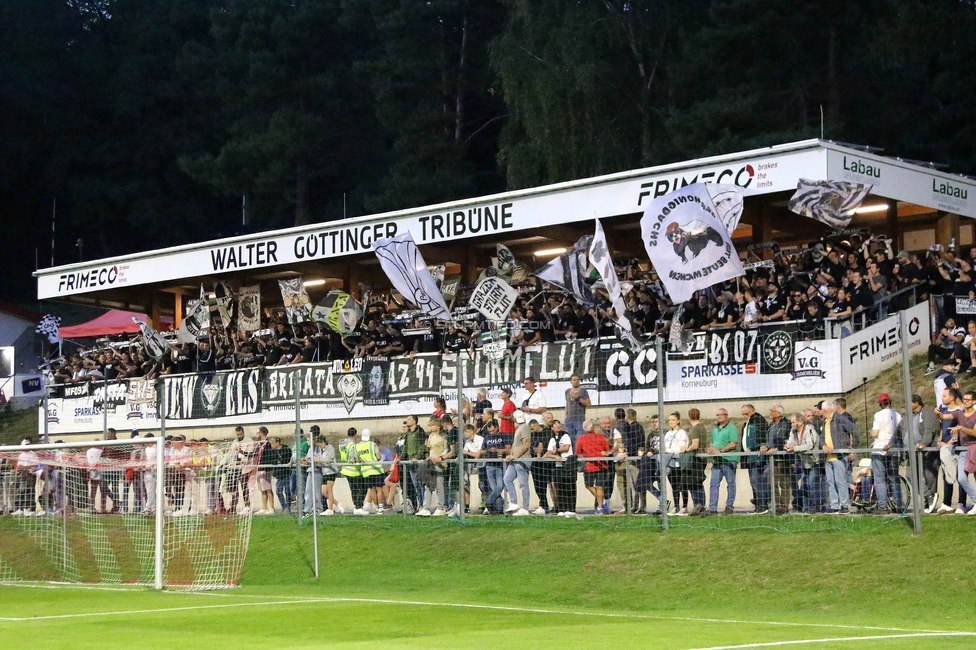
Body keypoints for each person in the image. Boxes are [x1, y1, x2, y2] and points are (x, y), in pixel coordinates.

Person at [901, 394, 941, 513]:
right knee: (910, 474)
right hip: (912, 451)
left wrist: (924, 443)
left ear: (916, 403)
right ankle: (928, 496)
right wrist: (891, 442)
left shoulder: (927, 412)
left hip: (926, 451)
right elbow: (900, 429)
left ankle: (930, 500)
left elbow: (929, 429)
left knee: (929, 476)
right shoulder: (908, 415)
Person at [822, 399, 858, 513]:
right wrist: (823, 445)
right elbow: (822, 437)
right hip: (828, 458)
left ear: (824, 410)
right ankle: (834, 505)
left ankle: (844, 505)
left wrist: (852, 447)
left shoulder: (840, 418)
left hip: (839, 457)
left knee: (840, 481)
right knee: (830, 482)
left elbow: (854, 430)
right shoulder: (825, 422)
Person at [869, 394, 903, 513]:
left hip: (880, 449)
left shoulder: (878, 415)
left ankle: (882, 505)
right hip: (894, 449)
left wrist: (870, 433)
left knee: (879, 479)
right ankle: (899, 504)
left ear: (880, 403)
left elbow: (875, 433)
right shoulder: (898, 415)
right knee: (894, 478)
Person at [948, 389, 976, 515]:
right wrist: (938, 414)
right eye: (964, 399)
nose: (964, 401)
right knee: (961, 478)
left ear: (974, 401)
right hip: (963, 451)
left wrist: (961, 428)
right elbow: (945, 416)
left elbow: (975, 433)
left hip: (974, 449)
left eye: (968, 399)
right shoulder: (959, 414)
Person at [785, 412, 820, 513]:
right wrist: (788, 446)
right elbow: (791, 442)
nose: (791, 424)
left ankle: (814, 506)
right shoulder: (793, 431)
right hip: (804, 462)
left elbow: (810, 445)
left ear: (800, 422)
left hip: (815, 462)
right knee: (804, 486)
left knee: (812, 484)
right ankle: (806, 507)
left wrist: (794, 448)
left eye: (793, 422)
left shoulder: (809, 430)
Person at [706, 408, 739, 514]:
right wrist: (710, 449)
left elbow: (733, 443)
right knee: (714, 484)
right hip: (717, 461)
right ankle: (712, 508)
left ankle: (729, 506)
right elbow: (712, 442)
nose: (719, 417)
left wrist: (720, 451)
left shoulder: (731, 428)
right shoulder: (715, 429)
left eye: (721, 415)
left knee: (731, 484)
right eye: (717, 415)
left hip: (728, 460)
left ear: (726, 415)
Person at [762, 404, 792, 514]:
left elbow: (788, 440)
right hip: (772, 459)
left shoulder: (787, 424)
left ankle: (784, 505)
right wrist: (765, 446)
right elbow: (768, 440)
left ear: (778, 413)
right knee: (772, 482)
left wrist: (777, 448)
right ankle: (777, 504)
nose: (770, 413)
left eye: (772, 411)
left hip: (783, 458)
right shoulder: (771, 425)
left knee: (784, 483)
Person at [576, 420, 611, 515]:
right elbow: (607, 451)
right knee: (599, 487)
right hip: (601, 464)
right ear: (592, 428)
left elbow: (578, 453)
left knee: (589, 485)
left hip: (590, 465)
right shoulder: (601, 437)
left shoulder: (581, 439)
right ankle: (601, 505)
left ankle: (601, 505)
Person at [503, 411, 535, 516]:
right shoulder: (519, 429)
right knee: (507, 479)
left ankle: (525, 507)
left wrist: (515, 456)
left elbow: (526, 445)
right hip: (514, 460)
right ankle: (514, 502)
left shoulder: (525, 428)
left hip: (522, 459)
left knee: (523, 484)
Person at [740, 404, 770, 514]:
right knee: (753, 482)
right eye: (742, 414)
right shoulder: (747, 423)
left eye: (746, 413)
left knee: (758, 482)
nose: (744, 416)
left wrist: (752, 447)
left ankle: (763, 506)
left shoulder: (758, 421)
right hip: (749, 458)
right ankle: (758, 505)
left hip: (757, 457)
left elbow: (761, 437)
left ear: (753, 411)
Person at [544, 420, 575, 516]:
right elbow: (549, 453)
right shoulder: (552, 439)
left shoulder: (565, 436)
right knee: (558, 486)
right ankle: (560, 508)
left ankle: (570, 508)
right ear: (552, 427)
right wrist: (555, 456)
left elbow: (566, 448)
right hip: (558, 465)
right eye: (555, 425)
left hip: (568, 464)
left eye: (558, 424)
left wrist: (556, 450)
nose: (557, 426)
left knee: (568, 486)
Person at [481, 420, 510, 515]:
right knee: (494, 488)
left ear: (497, 427)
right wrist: (488, 451)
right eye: (490, 431)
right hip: (489, 465)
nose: (491, 433)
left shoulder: (503, 436)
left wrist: (497, 450)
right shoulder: (486, 438)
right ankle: (499, 508)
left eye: (493, 430)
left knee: (499, 486)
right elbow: (481, 451)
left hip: (500, 465)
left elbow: (508, 449)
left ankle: (488, 502)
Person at [663, 412, 689, 515]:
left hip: (679, 463)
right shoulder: (668, 433)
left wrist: (671, 450)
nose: (671, 422)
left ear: (678, 421)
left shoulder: (682, 432)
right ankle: (676, 506)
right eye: (669, 420)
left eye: (673, 420)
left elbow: (682, 448)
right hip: (670, 463)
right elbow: (665, 447)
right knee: (674, 486)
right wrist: (669, 450)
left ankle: (684, 507)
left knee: (682, 486)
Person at [400, 415, 427, 514]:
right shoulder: (408, 434)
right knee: (416, 485)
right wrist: (400, 458)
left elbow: (423, 446)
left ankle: (425, 505)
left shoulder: (420, 432)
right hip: (410, 462)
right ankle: (420, 505)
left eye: (409, 419)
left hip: (418, 462)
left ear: (414, 421)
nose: (407, 421)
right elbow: (405, 448)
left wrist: (418, 457)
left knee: (421, 484)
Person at [684, 408, 708, 515]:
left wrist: (686, 449)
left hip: (696, 458)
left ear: (689, 417)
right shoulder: (702, 427)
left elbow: (695, 444)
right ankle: (701, 505)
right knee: (698, 483)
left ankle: (698, 505)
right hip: (702, 458)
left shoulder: (695, 429)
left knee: (694, 483)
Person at [355, 429, 384, 515]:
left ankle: (377, 507)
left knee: (371, 490)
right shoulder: (372, 444)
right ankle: (381, 507)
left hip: (366, 471)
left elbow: (357, 460)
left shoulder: (356, 446)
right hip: (376, 469)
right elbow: (378, 457)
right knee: (379, 489)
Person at [265, 436, 294, 514]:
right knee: (278, 491)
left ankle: (288, 507)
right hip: (279, 474)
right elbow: (271, 460)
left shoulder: (286, 449)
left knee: (287, 491)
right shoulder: (272, 451)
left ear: (278, 442)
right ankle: (283, 506)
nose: (272, 445)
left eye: (273, 443)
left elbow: (290, 458)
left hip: (287, 473)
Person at [338, 428, 362, 514]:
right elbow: (353, 457)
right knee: (360, 488)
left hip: (345, 468)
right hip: (353, 469)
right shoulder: (352, 444)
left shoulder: (341, 444)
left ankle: (355, 506)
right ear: (355, 434)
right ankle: (358, 506)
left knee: (353, 489)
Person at [462, 423, 484, 513]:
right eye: (464, 432)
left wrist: (467, 453)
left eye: (467, 432)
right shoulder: (467, 442)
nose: (465, 434)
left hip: (482, 464)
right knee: (465, 483)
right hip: (471, 464)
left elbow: (478, 455)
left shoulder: (480, 439)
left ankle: (484, 503)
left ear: (472, 431)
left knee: (482, 484)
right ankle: (467, 506)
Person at [564, 374, 591, 444]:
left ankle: (579, 454)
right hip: (569, 421)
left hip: (579, 421)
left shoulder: (583, 391)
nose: (576, 381)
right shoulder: (567, 391)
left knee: (579, 441)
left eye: (577, 380)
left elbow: (588, 404)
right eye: (574, 380)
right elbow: (567, 404)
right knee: (570, 441)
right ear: (571, 381)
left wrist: (577, 398)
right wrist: (566, 416)